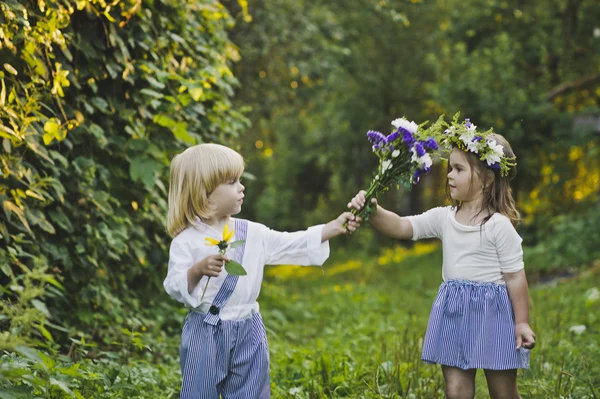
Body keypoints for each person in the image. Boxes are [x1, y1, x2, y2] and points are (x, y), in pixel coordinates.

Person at [348, 122, 535, 399]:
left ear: (486, 179)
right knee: (456, 389)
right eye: (450, 168)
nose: (449, 175)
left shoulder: (498, 225)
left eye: (459, 169)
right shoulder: (444, 217)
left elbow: (515, 277)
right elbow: (402, 226)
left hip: (494, 315)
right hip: (455, 312)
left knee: (503, 391)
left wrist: (521, 323)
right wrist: (373, 211)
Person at [164, 143, 359, 399]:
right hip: (206, 331)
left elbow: (290, 242)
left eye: (240, 179)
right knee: (199, 392)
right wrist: (197, 271)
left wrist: (333, 227)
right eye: (232, 181)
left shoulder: (252, 233)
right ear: (205, 193)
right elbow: (175, 284)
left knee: (252, 392)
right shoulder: (185, 241)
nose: (241, 187)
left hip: (249, 328)